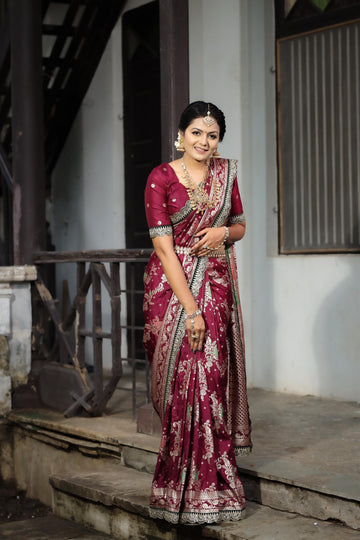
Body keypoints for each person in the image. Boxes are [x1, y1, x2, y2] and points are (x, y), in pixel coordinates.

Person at [143, 101, 251, 525]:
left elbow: (240, 225)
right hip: (174, 292)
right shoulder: (161, 177)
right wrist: (191, 310)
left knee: (211, 380)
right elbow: (164, 248)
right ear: (180, 135)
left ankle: (217, 487)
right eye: (196, 133)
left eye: (212, 135)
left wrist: (225, 231)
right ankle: (176, 490)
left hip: (217, 286)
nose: (204, 142)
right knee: (185, 385)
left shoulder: (226, 174)